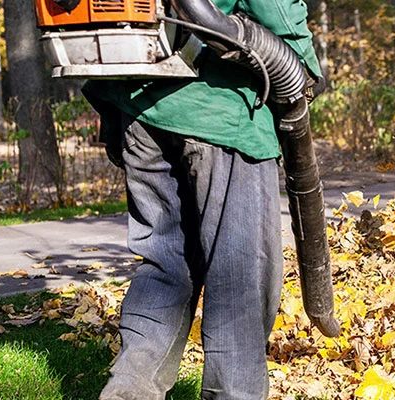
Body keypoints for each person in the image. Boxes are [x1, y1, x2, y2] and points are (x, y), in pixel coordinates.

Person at [81, 0, 322, 398]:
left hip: (139, 105)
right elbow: (275, 7)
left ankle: (128, 391)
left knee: (164, 265)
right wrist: (305, 67)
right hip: (220, 111)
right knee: (241, 275)